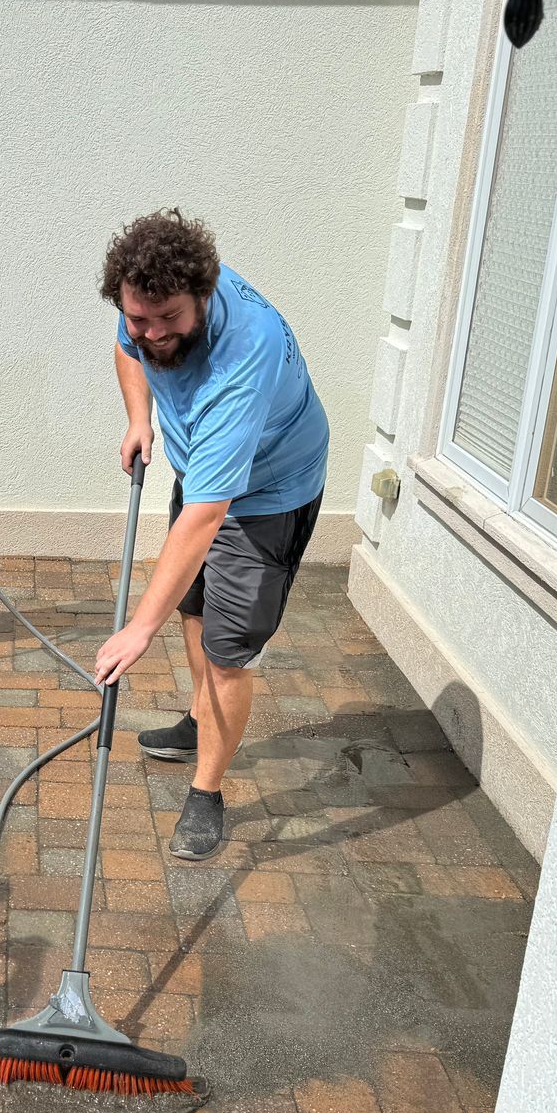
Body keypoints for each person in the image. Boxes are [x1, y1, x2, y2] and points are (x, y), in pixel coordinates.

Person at [92, 210, 330, 862]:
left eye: (168, 321)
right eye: (141, 318)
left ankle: (207, 792)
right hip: (206, 471)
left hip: (267, 496)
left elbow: (206, 517)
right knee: (194, 609)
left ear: (203, 293)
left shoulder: (240, 357)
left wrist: (137, 627)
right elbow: (125, 344)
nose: (152, 332)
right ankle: (199, 724)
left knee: (228, 650)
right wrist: (140, 419)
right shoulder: (144, 302)